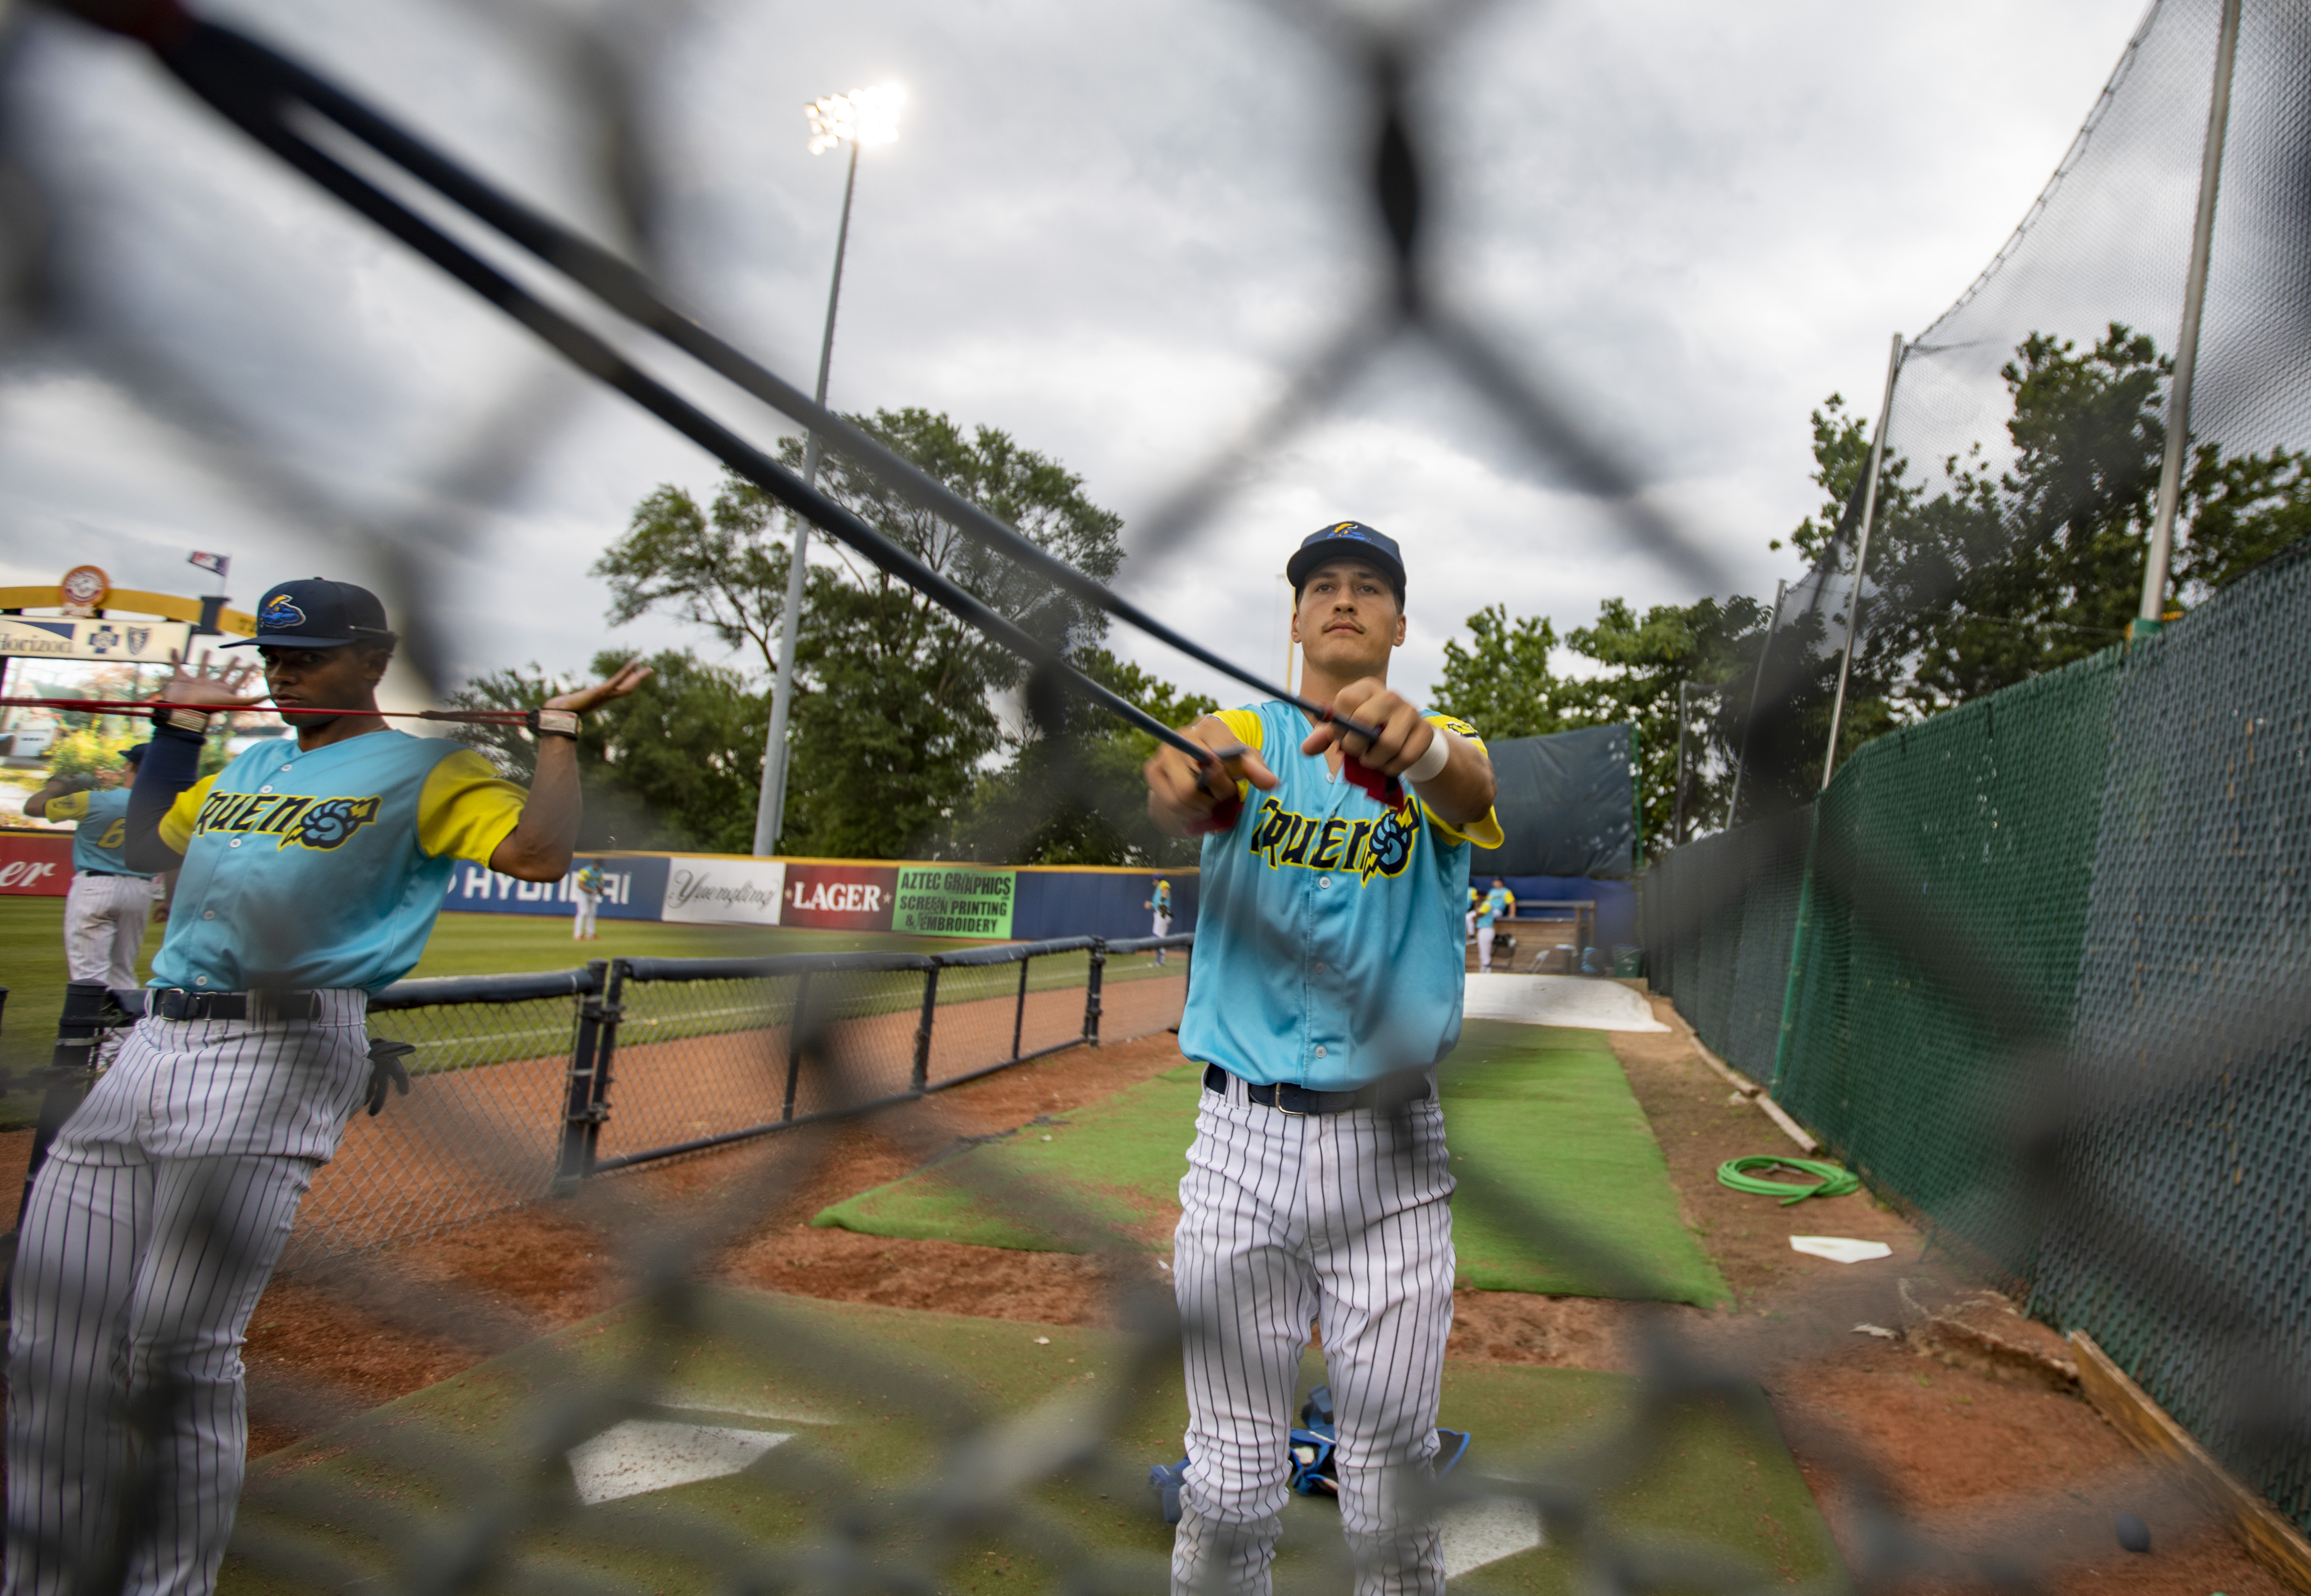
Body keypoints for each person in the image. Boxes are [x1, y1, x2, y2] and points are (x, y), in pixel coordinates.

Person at [2, 578, 648, 1596]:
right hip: (150, 1044)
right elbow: (140, 850)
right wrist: (175, 731)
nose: (284, 671)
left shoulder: (430, 767)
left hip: (277, 1051)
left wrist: (558, 736)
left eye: (309, 655)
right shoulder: (251, 760)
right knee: (52, 1341)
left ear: (375, 659)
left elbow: (537, 853)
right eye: (274, 656)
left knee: (174, 1350)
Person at [1142, 520, 1500, 1595]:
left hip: (1389, 1150)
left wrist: (1422, 746)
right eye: (1322, 587)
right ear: (1295, 618)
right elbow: (1179, 776)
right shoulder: (1241, 730)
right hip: (1240, 1142)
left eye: (1369, 588)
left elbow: (1469, 792)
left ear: (1396, 622)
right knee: (1229, 1482)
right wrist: (1187, 777)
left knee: (1388, 1490)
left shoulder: (1447, 741)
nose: (1344, 600)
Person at [23, 744, 160, 992]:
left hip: (96, 886)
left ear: (130, 767)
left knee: (89, 974)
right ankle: (123, 1030)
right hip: (141, 890)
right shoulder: (165, 807)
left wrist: (58, 786)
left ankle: (88, 1030)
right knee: (123, 972)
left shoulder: (93, 800)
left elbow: (33, 807)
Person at [1477, 878, 1515, 975]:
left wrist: (1512, 914)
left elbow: (1479, 914)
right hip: (1487, 929)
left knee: (1485, 953)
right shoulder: (1492, 892)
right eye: (1494, 882)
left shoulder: (1505, 892)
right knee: (1485, 953)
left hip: (1490, 923)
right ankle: (1486, 972)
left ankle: (1486, 973)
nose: (1495, 883)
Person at [573, 856, 605, 940]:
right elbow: (580, 886)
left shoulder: (601, 871)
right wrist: (593, 890)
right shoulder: (586, 871)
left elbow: (600, 883)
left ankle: (590, 934)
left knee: (592, 913)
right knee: (583, 912)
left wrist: (600, 889)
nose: (599, 868)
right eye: (599, 866)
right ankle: (578, 934)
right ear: (595, 864)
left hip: (593, 894)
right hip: (583, 893)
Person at [1145, 876, 1174, 965]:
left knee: (1158, 937)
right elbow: (1157, 903)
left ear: (1157, 880)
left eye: (1153, 880)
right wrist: (1151, 905)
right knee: (1157, 935)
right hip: (1161, 910)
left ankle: (1160, 961)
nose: (1153, 882)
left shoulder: (1163, 883)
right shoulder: (1157, 890)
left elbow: (1165, 892)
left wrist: (1161, 900)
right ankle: (1160, 960)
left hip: (1163, 910)